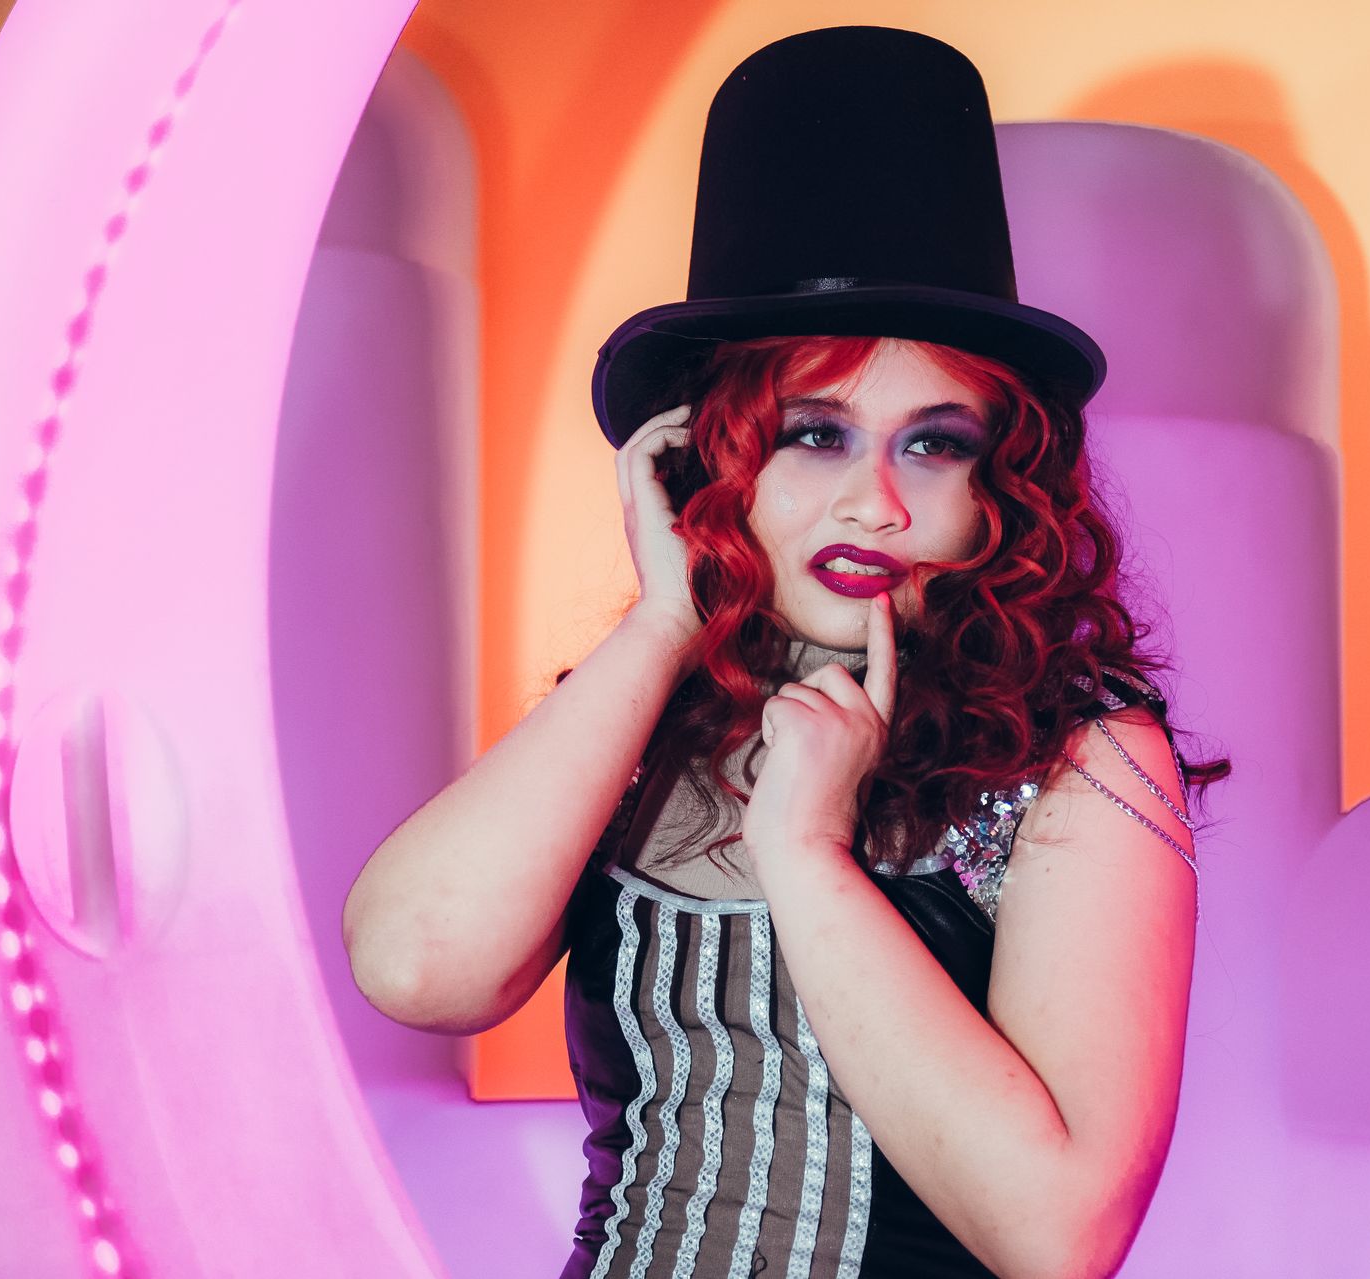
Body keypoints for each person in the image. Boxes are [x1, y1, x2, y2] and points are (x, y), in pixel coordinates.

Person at [343, 25, 1229, 1279]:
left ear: (997, 484)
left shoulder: (1081, 753)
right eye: (815, 433)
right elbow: (415, 967)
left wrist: (808, 855)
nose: (876, 503)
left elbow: (1058, 1233)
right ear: (713, 450)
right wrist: (663, 624)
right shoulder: (640, 715)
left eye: (934, 443)